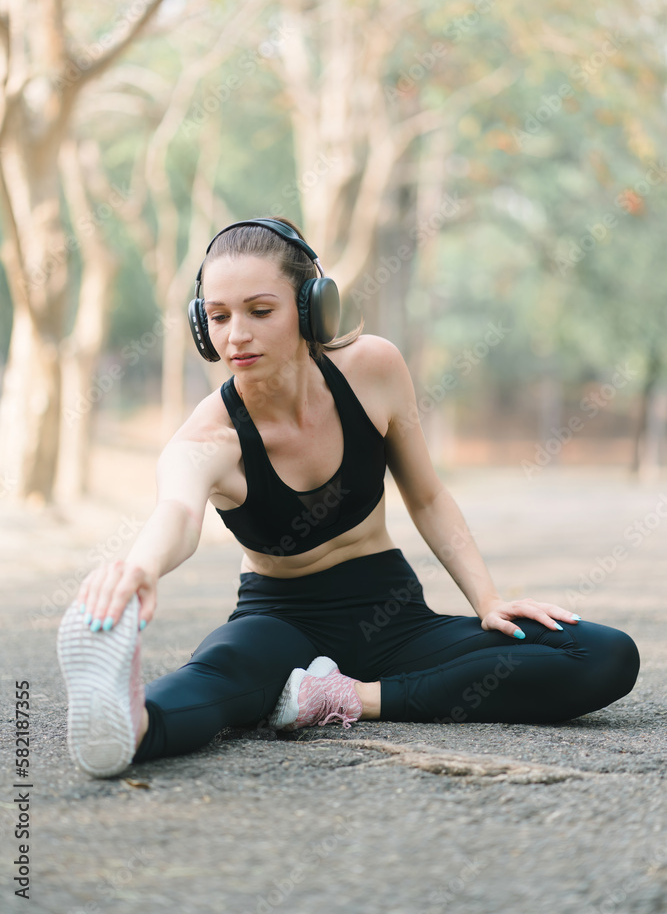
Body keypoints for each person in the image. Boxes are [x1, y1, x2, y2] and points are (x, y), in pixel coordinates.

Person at [57, 216, 641, 779]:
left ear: (312, 307)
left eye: (261, 311)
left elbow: (429, 497)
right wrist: (139, 568)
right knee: (220, 677)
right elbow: (177, 514)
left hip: (397, 621)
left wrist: (487, 600)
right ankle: (128, 726)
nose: (236, 335)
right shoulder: (210, 437)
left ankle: (343, 698)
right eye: (217, 316)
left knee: (604, 655)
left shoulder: (374, 369)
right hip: (281, 623)